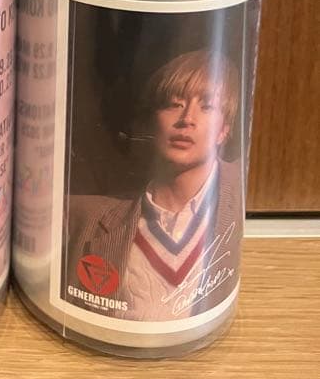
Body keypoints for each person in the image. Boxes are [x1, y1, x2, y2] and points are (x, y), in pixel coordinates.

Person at [64, 49, 243, 321]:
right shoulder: (86, 217)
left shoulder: (239, 198)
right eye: (174, 104)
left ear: (224, 130)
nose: (187, 119)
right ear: (151, 122)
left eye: (207, 106)